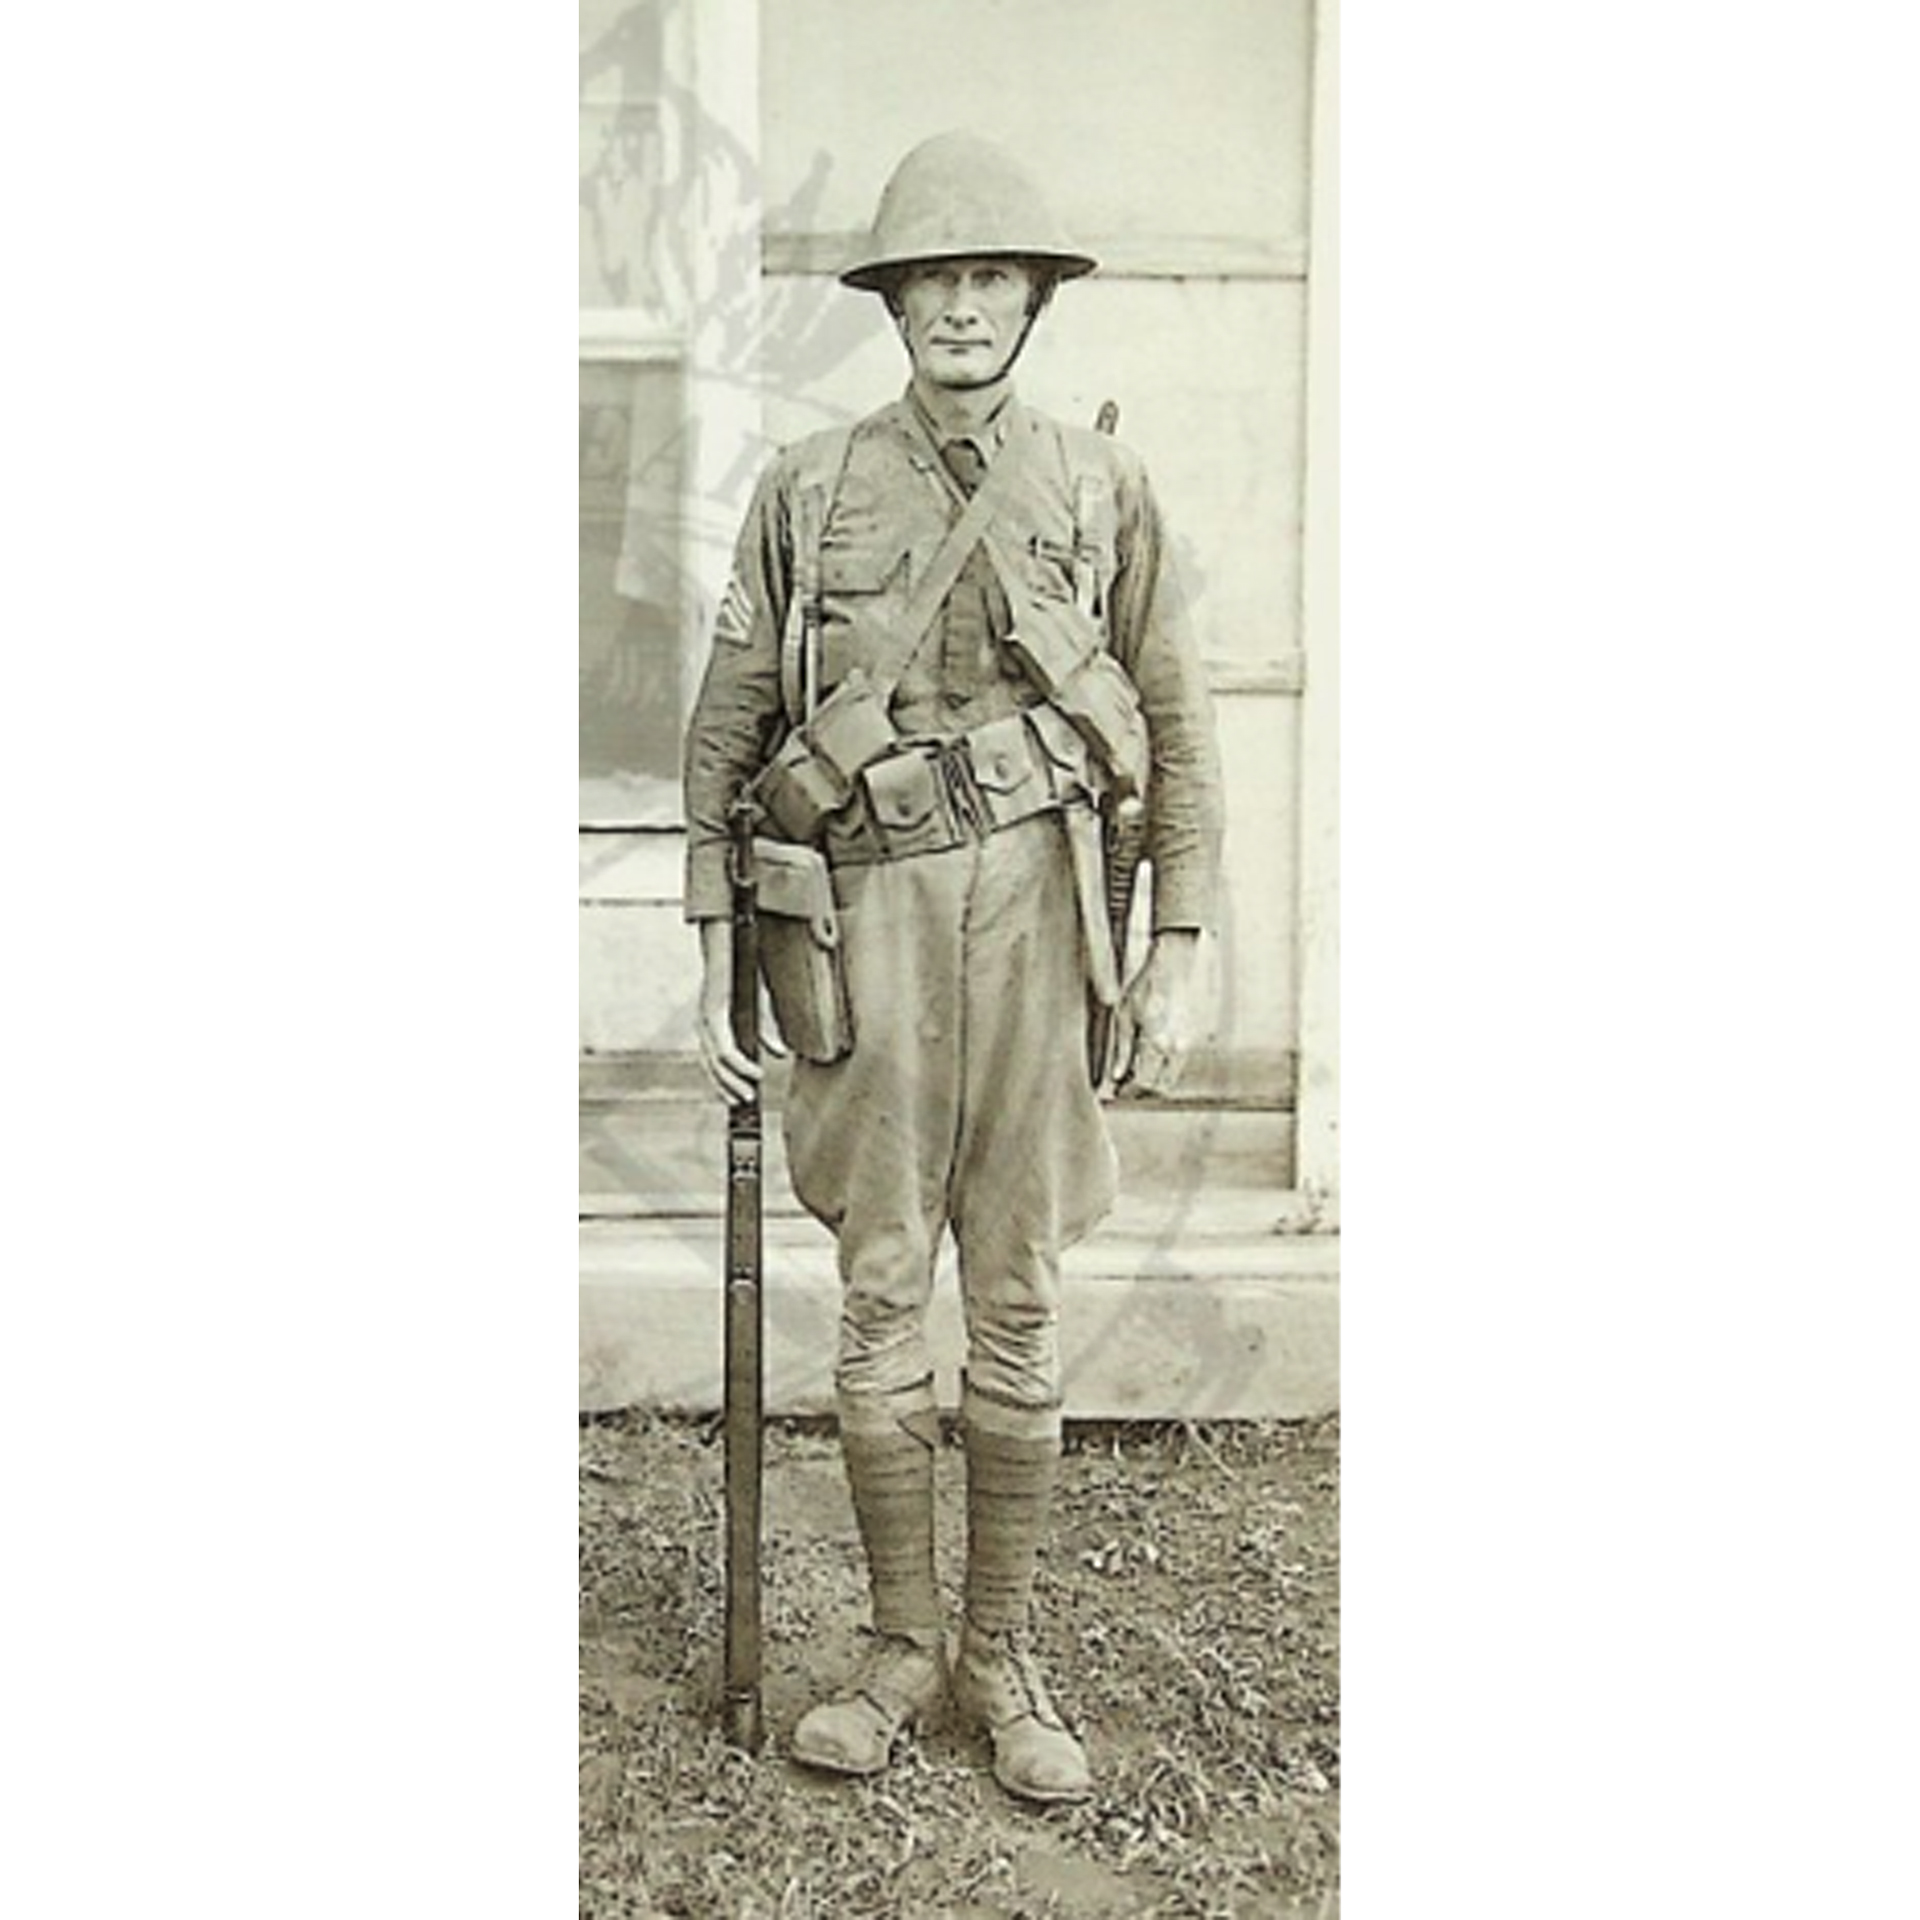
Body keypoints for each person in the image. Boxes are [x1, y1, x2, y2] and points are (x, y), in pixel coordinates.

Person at [682, 131, 1223, 1804]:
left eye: (995, 276)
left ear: (1035, 300)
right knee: (874, 1290)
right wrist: (717, 940)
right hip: (863, 936)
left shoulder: (1101, 489)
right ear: (895, 300)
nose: (963, 307)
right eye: (935, 278)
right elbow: (731, 733)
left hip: (1048, 924)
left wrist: (1180, 940)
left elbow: (1178, 729)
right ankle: (899, 1643)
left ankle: (1002, 1656)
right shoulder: (808, 491)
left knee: (1019, 1295)